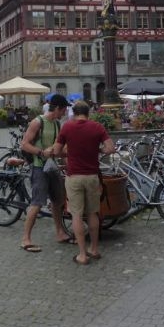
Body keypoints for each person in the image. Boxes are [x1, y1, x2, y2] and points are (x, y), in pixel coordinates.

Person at [53, 101, 116, 265]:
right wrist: (98, 150)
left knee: (76, 215)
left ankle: (82, 254)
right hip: (92, 176)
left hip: (74, 176)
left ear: (74, 113)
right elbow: (110, 148)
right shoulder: (97, 127)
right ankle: (94, 249)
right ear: (88, 113)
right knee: (93, 213)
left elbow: (57, 151)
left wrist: (69, 152)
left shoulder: (67, 127)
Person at [19, 93, 70, 252]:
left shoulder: (56, 124)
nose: (64, 114)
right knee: (37, 202)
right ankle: (26, 238)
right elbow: (24, 145)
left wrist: (68, 156)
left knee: (58, 201)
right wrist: (41, 153)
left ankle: (60, 232)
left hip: (51, 166)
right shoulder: (37, 122)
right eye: (63, 111)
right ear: (57, 108)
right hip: (38, 166)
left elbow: (58, 148)